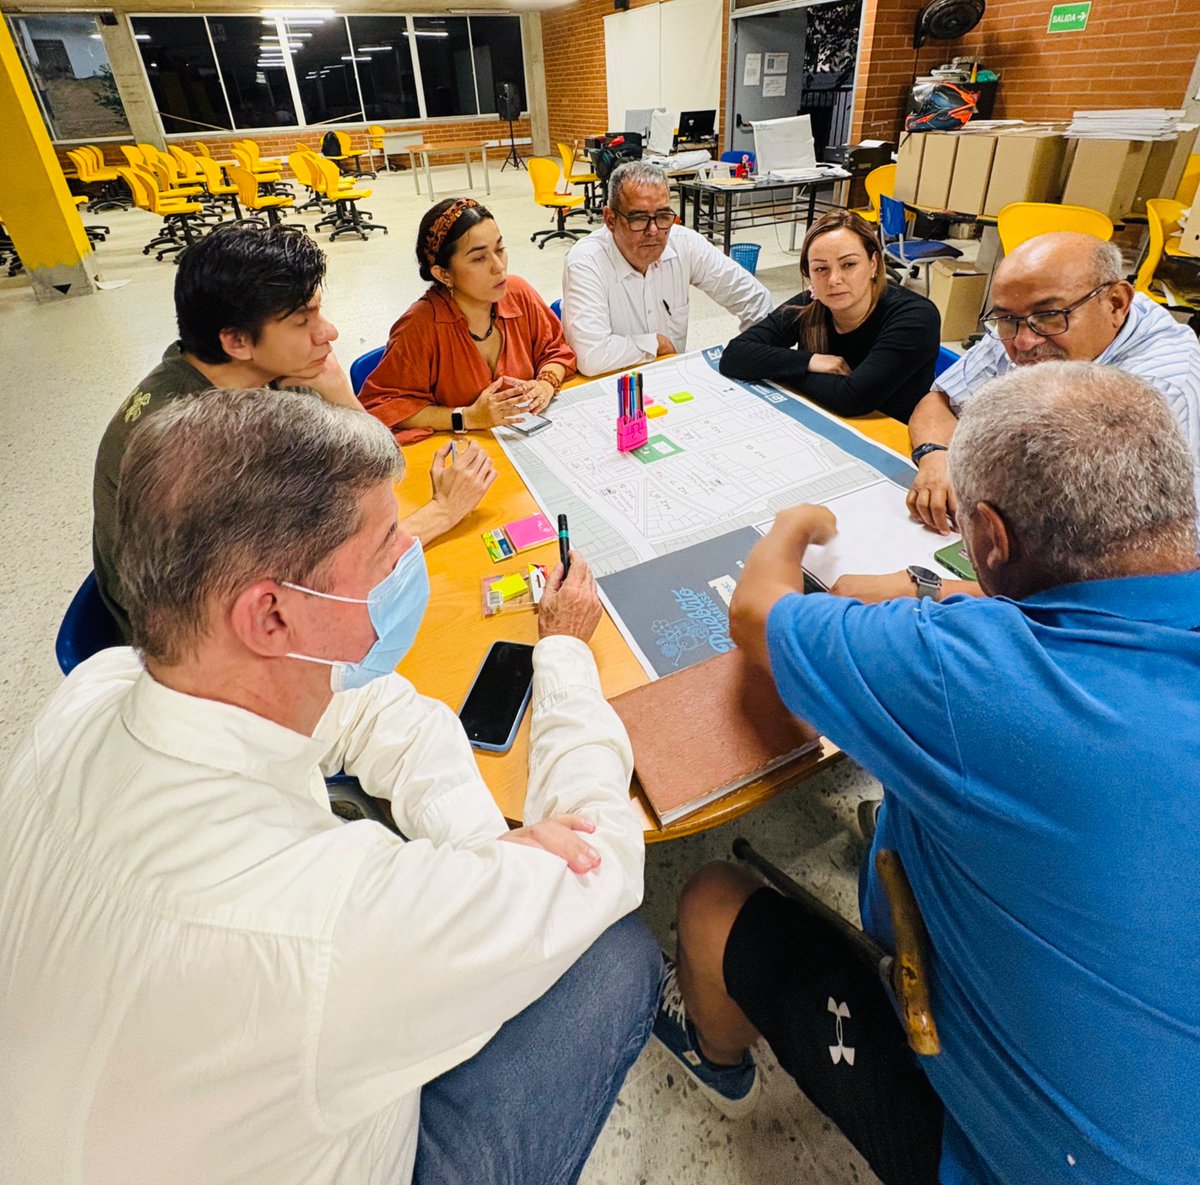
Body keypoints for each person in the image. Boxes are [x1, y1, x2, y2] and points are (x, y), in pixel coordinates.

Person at [2, 387, 661, 1185]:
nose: (403, 562)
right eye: (385, 550)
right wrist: (561, 653)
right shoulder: (330, 921)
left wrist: (485, 854)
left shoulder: (105, 684)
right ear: (271, 617)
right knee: (618, 957)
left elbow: (366, 709)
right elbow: (605, 852)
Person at [651, 362, 1200, 1185]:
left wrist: (797, 521)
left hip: (1008, 1164)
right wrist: (928, 587)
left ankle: (711, 1053)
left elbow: (755, 611)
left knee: (709, 904)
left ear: (990, 535)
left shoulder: (974, 678)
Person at [92, 222, 495, 640]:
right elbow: (303, 586)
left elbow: (382, 469)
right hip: (212, 646)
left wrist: (338, 389)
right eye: (303, 320)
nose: (329, 332)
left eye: (317, 310)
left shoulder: (256, 371)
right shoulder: (189, 449)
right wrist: (441, 513)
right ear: (235, 341)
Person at [907, 230, 1200, 535]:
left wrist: (938, 586)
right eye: (1007, 318)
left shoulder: (1158, 391)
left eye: (1049, 315)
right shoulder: (1023, 321)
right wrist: (936, 456)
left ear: (1115, 303)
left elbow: (1128, 541)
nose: (1024, 341)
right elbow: (939, 401)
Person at [359, 198, 575, 443]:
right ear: (443, 274)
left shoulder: (518, 293)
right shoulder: (420, 326)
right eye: (479, 258)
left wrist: (545, 385)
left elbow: (556, 350)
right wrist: (466, 417)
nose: (498, 267)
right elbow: (381, 406)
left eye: (500, 249)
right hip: (462, 458)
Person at [719, 209, 940, 422]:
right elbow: (734, 355)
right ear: (809, 274)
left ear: (873, 264)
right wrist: (810, 361)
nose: (834, 279)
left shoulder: (915, 317)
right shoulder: (812, 303)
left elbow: (852, 398)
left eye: (849, 264)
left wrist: (781, 368)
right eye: (821, 269)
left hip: (890, 436)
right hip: (825, 419)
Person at [561, 160, 773, 376]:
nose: (653, 230)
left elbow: (756, 301)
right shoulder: (586, 261)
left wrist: (751, 356)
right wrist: (656, 345)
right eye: (639, 218)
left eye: (663, 216)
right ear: (610, 219)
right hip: (614, 388)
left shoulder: (685, 244)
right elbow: (592, 357)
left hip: (672, 380)